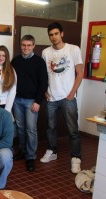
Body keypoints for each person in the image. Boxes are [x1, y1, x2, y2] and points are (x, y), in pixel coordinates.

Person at [40, 22, 84, 174]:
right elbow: (44, 75)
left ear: (62, 34)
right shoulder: (46, 52)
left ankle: (76, 158)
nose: (53, 37)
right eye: (51, 34)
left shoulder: (73, 49)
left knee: (73, 130)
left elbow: (80, 73)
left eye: (56, 34)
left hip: (68, 97)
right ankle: (52, 152)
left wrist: (72, 92)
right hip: (51, 97)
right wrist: (45, 91)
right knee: (50, 128)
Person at [11, 35, 48, 172]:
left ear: (33, 46)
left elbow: (43, 83)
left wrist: (38, 101)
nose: (26, 48)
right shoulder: (15, 60)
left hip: (32, 101)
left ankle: (31, 157)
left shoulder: (39, 62)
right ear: (21, 45)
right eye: (23, 45)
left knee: (31, 129)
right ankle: (22, 151)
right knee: (20, 128)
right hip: (17, 100)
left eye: (28, 45)